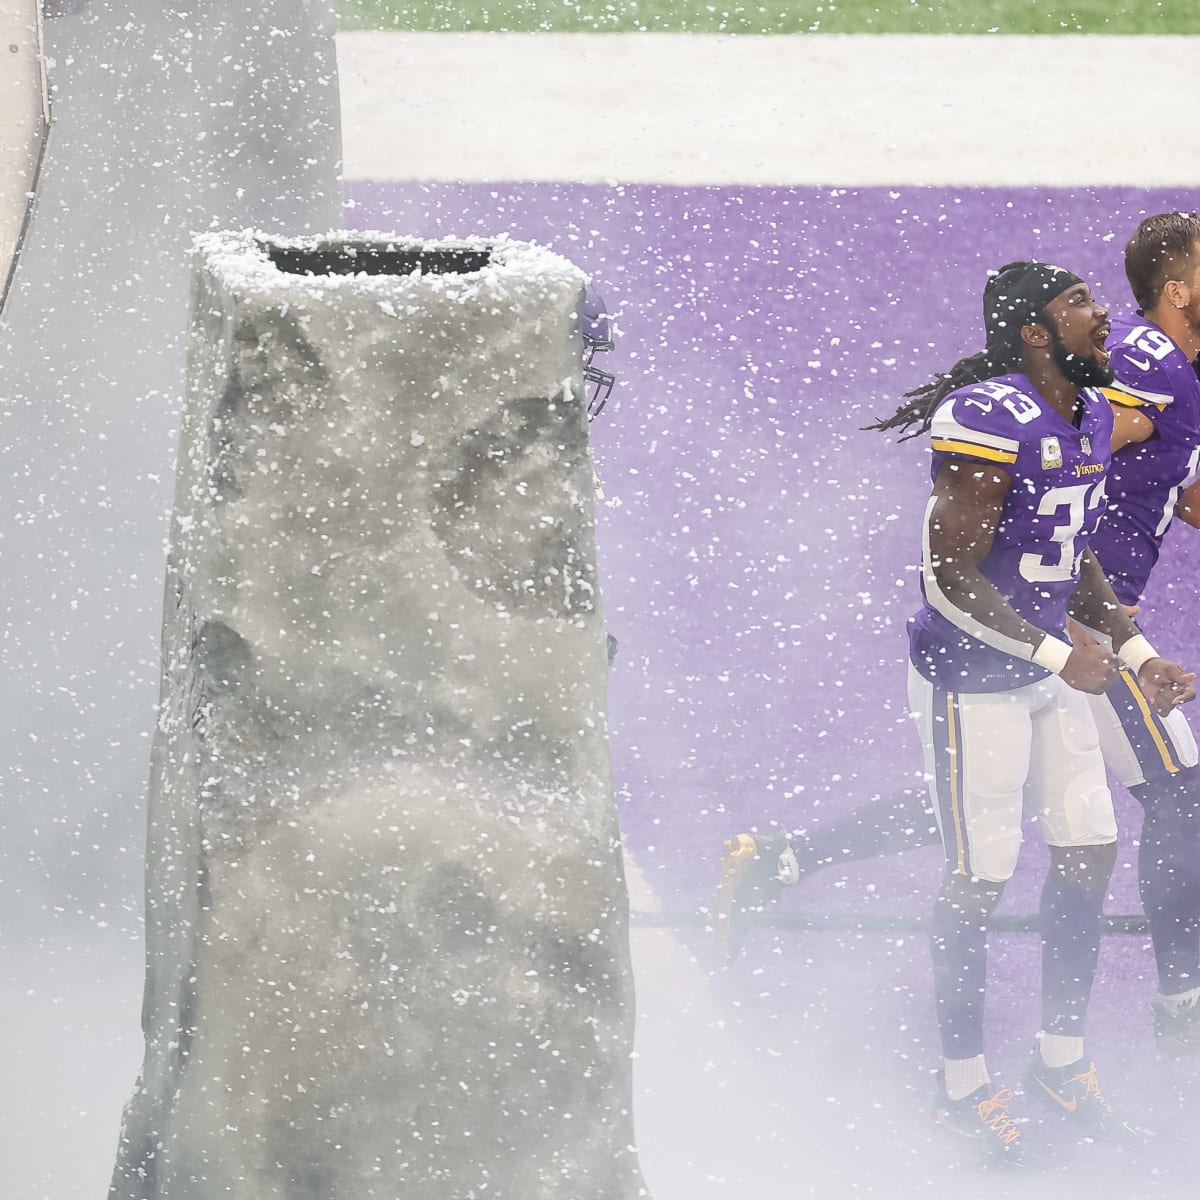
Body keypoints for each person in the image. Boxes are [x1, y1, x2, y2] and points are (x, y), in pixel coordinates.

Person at [715, 217, 1200, 1062]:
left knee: (999, 804)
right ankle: (1180, 1002)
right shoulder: (1150, 363)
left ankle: (786, 858)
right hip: (1071, 620)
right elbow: (1080, 441)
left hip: (1086, 613)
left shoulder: (1159, 376)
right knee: (1174, 794)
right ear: (1181, 287)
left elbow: (1162, 483)